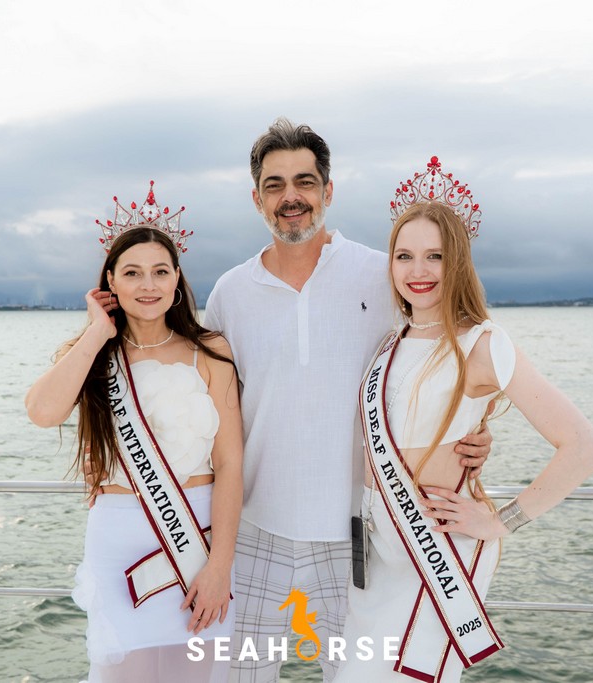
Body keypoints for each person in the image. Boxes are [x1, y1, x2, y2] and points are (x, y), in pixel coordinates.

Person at [202, 120, 493, 683]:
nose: (291, 197)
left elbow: (435, 369)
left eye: (305, 182)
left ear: (328, 191)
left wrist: (474, 433)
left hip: (356, 535)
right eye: (274, 185)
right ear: (257, 199)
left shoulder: (382, 275)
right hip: (253, 529)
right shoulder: (229, 294)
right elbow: (208, 411)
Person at [333, 159, 593, 682]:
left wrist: (500, 521)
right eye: (404, 256)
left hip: (434, 555)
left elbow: (584, 447)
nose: (418, 271)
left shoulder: (481, 343)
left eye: (435, 256)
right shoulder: (390, 342)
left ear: (457, 261)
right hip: (377, 556)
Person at [25, 186, 243, 683]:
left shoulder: (211, 351)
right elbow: (41, 412)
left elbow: (231, 463)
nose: (148, 285)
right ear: (110, 281)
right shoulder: (93, 353)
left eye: (160, 271)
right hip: (119, 537)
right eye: (132, 273)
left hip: (198, 537)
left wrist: (220, 566)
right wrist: (96, 333)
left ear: (177, 279)